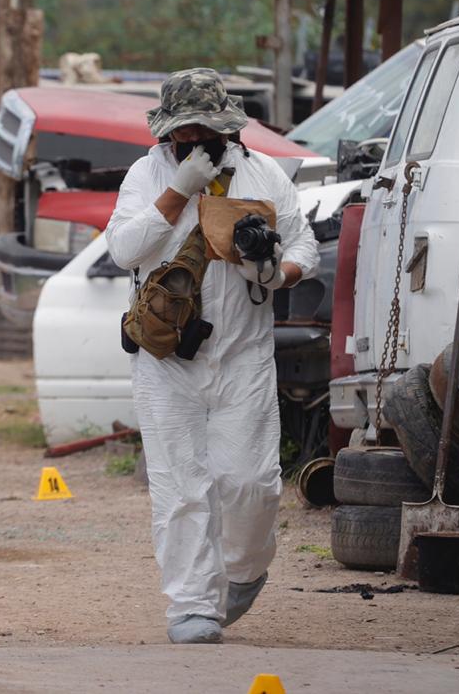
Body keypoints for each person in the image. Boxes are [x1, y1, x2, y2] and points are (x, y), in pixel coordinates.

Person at [105, 67, 318, 644]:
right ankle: (192, 606)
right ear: (167, 135)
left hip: (243, 355)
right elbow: (123, 248)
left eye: (205, 133)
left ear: (227, 129)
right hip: (166, 358)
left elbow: (304, 246)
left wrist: (276, 269)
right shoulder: (145, 175)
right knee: (180, 487)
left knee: (251, 482)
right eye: (183, 136)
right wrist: (179, 191)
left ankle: (243, 571)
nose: (194, 144)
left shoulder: (263, 173)